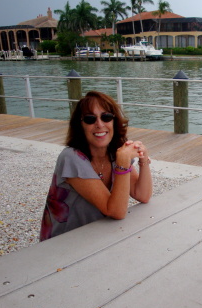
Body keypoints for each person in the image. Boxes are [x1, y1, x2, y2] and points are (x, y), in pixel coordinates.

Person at [40, 91, 153, 241]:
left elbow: (142, 195)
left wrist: (143, 160)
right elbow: (116, 211)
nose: (99, 124)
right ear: (80, 125)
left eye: (106, 117)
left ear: (114, 121)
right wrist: (123, 162)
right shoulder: (71, 158)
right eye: (90, 119)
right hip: (66, 242)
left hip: (100, 234)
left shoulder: (114, 154)